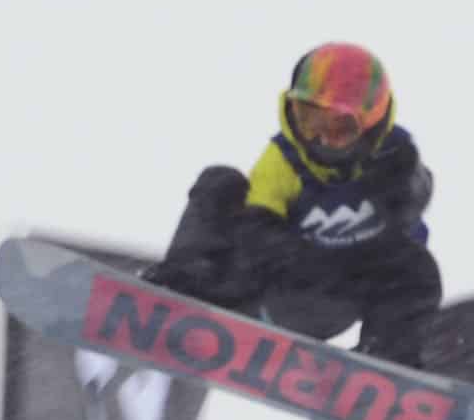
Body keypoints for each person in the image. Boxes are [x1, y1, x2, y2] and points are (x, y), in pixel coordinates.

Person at [150, 42, 442, 369]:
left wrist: (394, 186)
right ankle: (179, 288)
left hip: (334, 299)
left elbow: (412, 218)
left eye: (338, 129)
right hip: (266, 285)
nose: (319, 140)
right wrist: (296, 256)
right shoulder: (284, 158)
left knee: (418, 269)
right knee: (220, 181)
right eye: (309, 120)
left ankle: (388, 358)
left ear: (370, 128)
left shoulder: (393, 159)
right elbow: (255, 227)